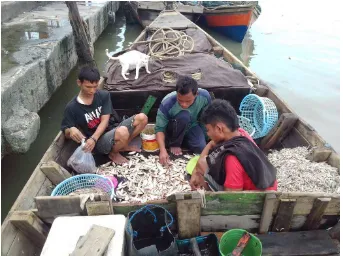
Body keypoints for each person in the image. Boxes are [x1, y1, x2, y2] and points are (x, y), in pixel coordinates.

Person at [61, 66, 148, 164]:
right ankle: (113, 153)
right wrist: (71, 130)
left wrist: (94, 138)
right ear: (79, 83)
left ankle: (123, 145)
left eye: (95, 86)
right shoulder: (71, 107)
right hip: (97, 143)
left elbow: (105, 120)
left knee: (142, 118)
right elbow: (66, 132)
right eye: (88, 87)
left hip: (109, 131)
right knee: (122, 132)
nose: (92, 91)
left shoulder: (103, 95)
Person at [190, 99, 277, 191]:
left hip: (257, 197)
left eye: (208, 130)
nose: (207, 134)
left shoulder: (232, 158)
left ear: (219, 128)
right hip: (268, 185)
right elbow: (212, 143)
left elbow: (232, 198)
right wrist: (196, 171)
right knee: (202, 163)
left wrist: (204, 172)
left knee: (203, 164)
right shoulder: (241, 133)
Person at [155, 76, 212, 165]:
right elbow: (159, 129)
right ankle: (175, 143)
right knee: (184, 115)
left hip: (191, 125)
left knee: (201, 148)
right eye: (180, 100)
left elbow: (205, 117)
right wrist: (162, 150)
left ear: (196, 94)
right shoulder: (168, 102)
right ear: (176, 93)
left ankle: (184, 139)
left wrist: (206, 137)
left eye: (188, 101)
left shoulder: (204, 97)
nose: (184, 104)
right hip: (173, 128)